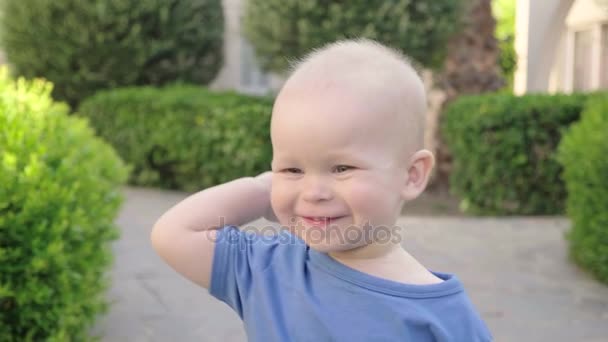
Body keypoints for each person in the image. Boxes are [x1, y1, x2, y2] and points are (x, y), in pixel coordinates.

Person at [151, 39, 493, 341]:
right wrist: (263, 189)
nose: (313, 191)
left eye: (342, 168)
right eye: (292, 169)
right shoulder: (268, 268)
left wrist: (285, 181)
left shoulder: (443, 318)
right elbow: (173, 233)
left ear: (412, 175)